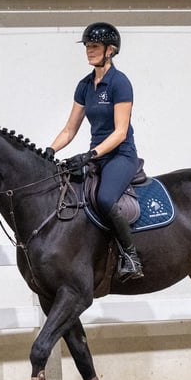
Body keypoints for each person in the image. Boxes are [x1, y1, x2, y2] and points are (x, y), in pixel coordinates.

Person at [48, 22, 144, 281]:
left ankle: (131, 257)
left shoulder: (119, 83)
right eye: (87, 46)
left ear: (110, 50)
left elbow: (120, 131)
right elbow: (70, 129)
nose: (89, 51)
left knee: (104, 199)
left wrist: (91, 154)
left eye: (95, 46)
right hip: (98, 155)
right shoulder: (84, 85)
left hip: (120, 155)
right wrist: (49, 150)